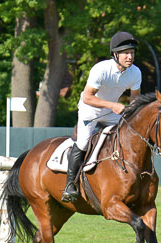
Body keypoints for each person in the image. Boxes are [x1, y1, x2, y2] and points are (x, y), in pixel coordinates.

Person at [62, 31, 142, 203]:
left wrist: (131, 110)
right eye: (126, 53)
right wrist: (113, 105)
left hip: (112, 113)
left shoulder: (135, 73)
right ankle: (69, 185)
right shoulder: (101, 69)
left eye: (132, 53)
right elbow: (87, 97)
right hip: (90, 111)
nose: (130, 56)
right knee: (83, 142)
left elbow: (135, 99)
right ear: (115, 54)